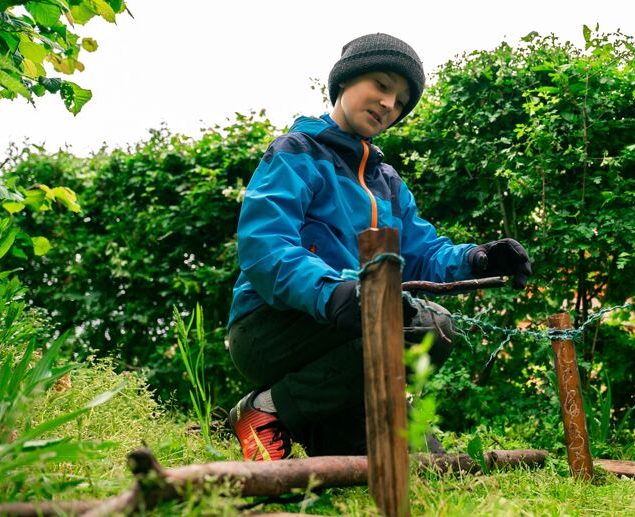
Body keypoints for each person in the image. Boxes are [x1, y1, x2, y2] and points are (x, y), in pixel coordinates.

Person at [226, 33, 532, 461]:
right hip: (270, 327)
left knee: (421, 465)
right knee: (430, 325)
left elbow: (422, 252)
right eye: (382, 85)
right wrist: (332, 291)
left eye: (402, 100)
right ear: (345, 82)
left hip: (351, 333)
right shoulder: (296, 153)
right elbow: (265, 247)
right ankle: (269, 408)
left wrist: (478, 258)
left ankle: (301, 421)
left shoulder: (386, 182)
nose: (390, 104)